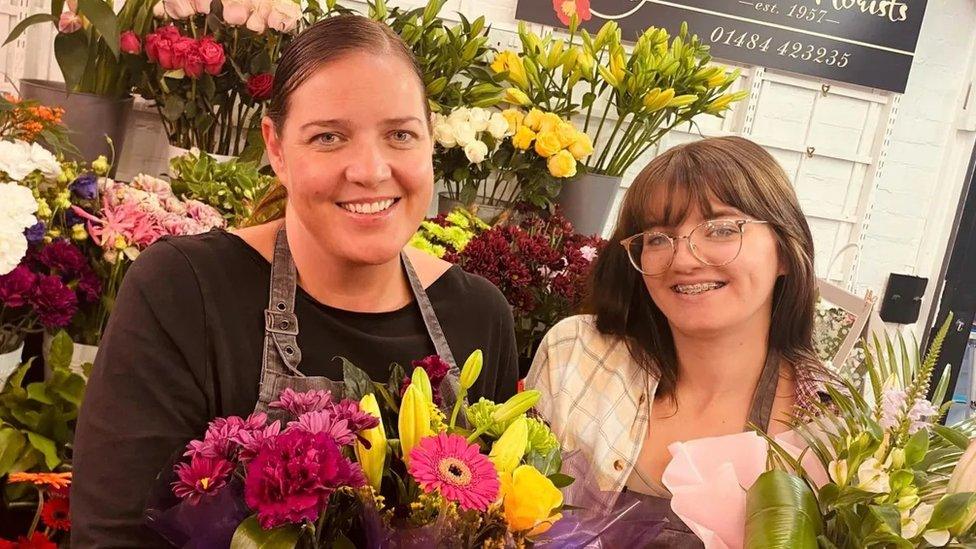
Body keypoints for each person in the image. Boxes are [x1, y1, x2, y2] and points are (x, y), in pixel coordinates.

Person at [71, 15, 519, 546]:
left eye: (400, 134)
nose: (371, 170)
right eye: (328, 137)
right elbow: (113, 536)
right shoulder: (184, 291)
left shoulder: (479, 315)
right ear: (277, 149)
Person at [525, 136, 824, 546]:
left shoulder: (832, 430)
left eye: (721, 229)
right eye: (658, 238)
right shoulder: (575, 356)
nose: (682, 259)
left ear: (786, 251)